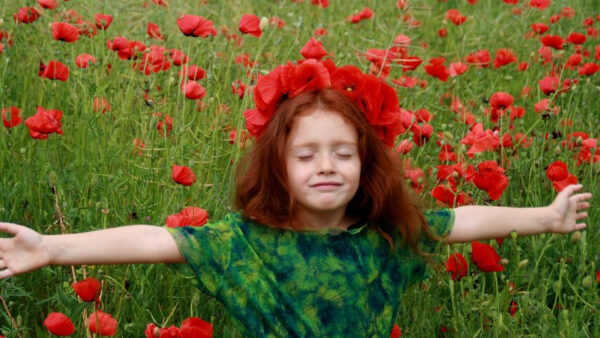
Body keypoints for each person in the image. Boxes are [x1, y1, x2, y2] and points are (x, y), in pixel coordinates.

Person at [0, 59, 592, 336]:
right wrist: (51, 247)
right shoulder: (244, 245)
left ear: (367, 162)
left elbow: (460, 219)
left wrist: (545, 216)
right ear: (278, 167)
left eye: (344, 152)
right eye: (306, 155)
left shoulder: (385, 235)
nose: (327, 166)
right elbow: (155, 238)